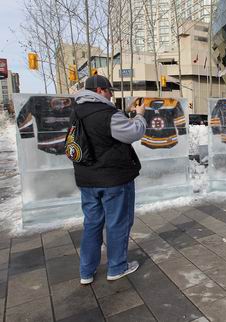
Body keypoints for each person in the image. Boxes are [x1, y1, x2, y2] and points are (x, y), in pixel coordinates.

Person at [72, 75, 146, 285]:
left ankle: (86, 272)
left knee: (92, 224)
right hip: (113, 180)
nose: (111, 94)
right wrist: (139, 115)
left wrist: (124, 113)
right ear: (99, 91)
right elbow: (132, 132)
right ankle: (117, 267)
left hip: (87, 179)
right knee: (117, 224)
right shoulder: (107, 113)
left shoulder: (76, 111)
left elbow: (100, 133)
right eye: (109, 90)